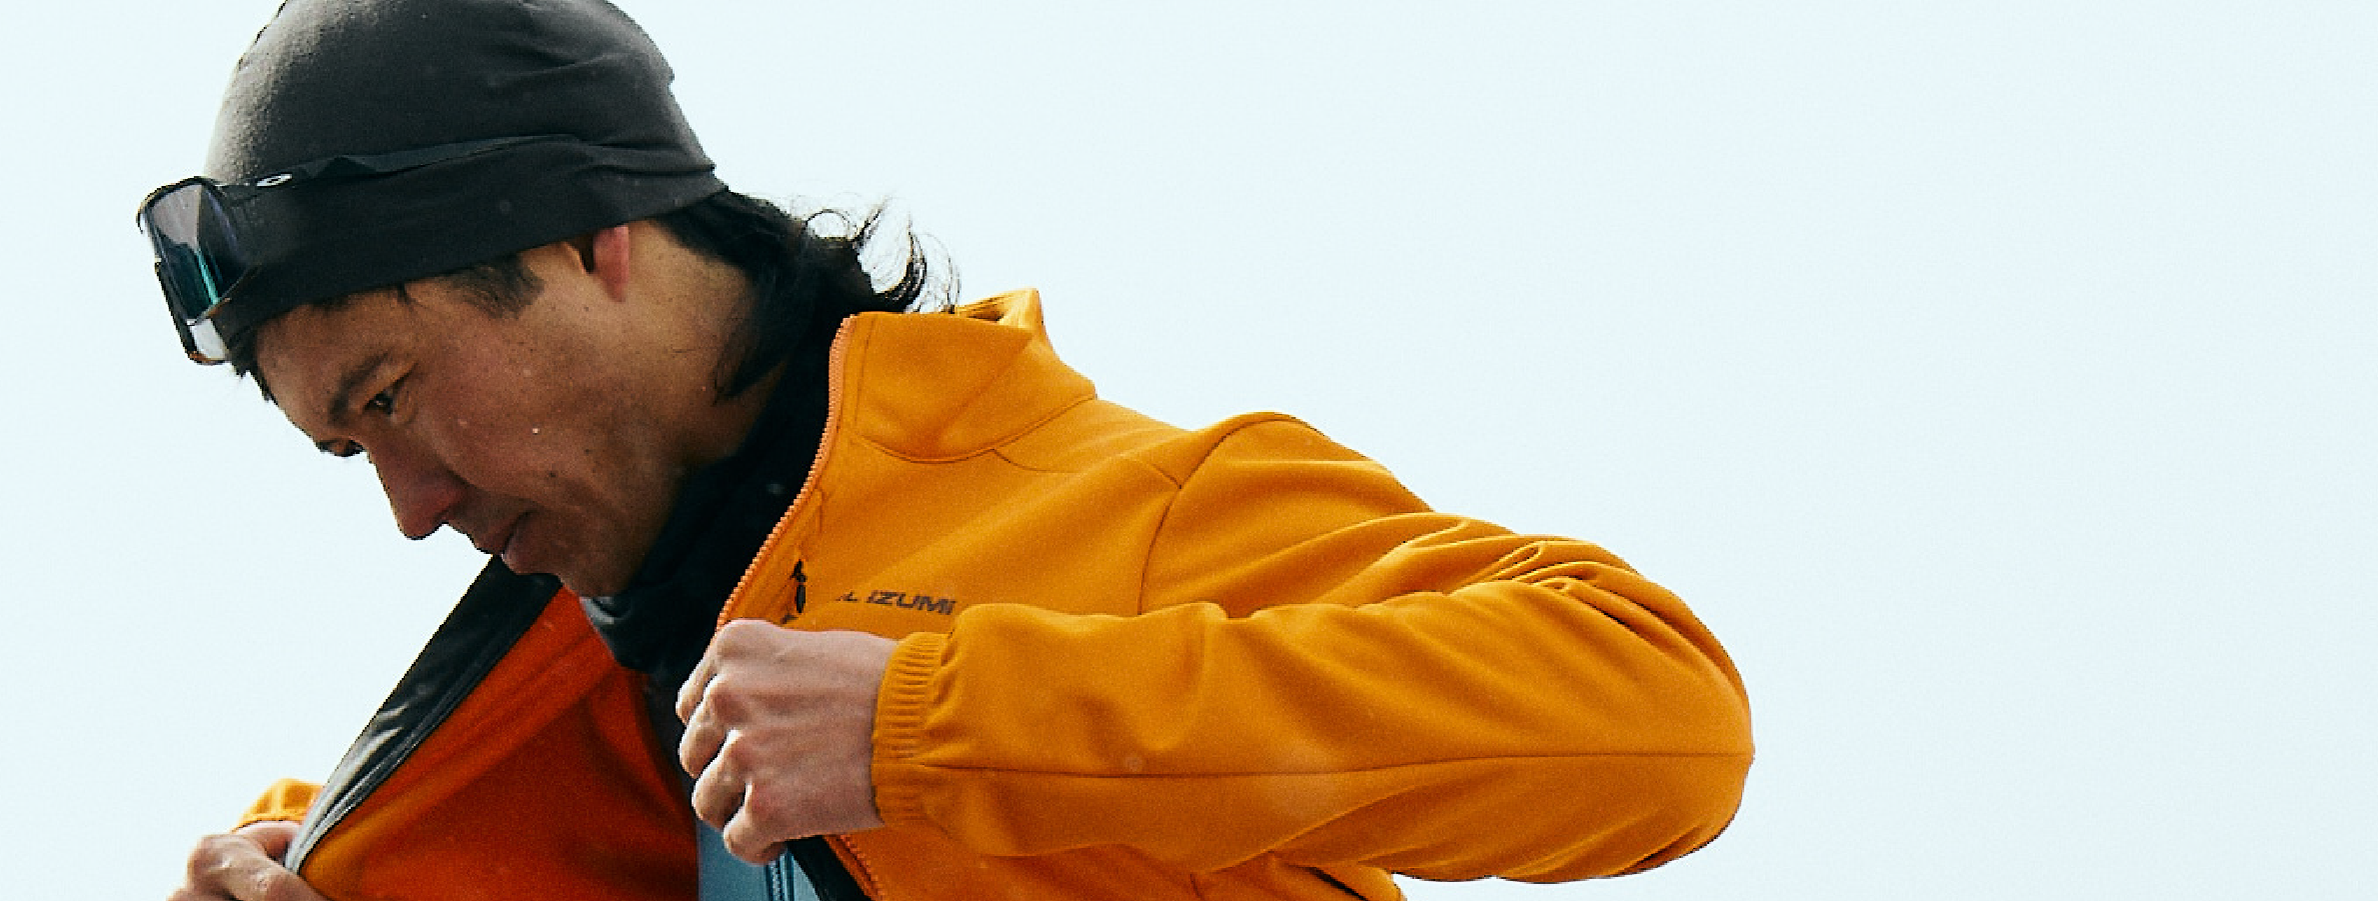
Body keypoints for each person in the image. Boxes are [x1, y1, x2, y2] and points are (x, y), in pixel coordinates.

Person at [138, 2, 1752, 900]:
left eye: (391, 398)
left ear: (591, 241)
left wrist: (935, 726)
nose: (412, 512)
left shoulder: (1082, 507)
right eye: (347, 457)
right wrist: (330, 866)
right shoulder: (536, 736)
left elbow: (1659, 718)